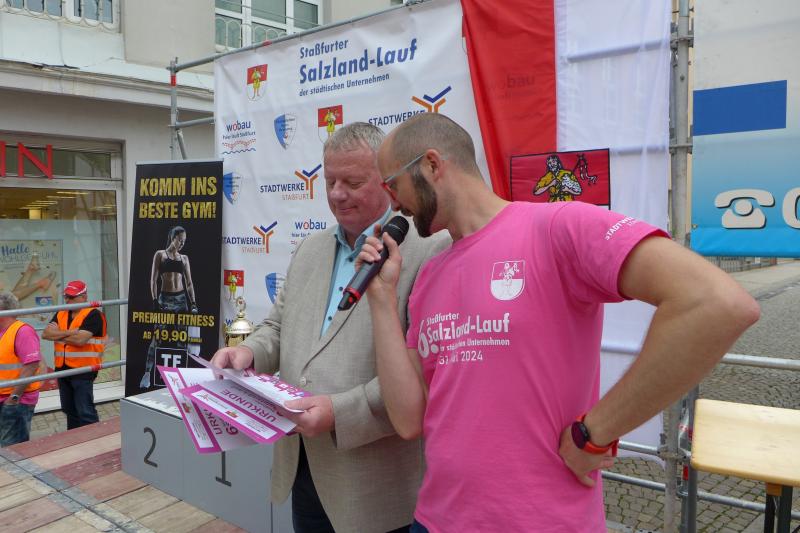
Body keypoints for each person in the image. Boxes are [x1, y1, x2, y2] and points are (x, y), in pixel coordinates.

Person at [357, 113, 760, 532]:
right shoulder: (430, 275)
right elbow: (409, 419)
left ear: (431, 165)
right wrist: (381, 300)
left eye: (392, 185)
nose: (393, 204)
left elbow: (716, 303)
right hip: (436, 521)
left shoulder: (557, 227)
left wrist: (595, 432)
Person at [211, 122, 450, 533]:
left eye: (352, 182)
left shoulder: (429, 251)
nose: (337, 194)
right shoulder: (310, 248)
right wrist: (248, 352)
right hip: (302, 468)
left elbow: (421, 377)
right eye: (330, 181)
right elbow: (278, 326)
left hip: (375, 488)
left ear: (388, 182)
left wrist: (339, 413)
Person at [42, 280, 107, 430]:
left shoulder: (94, 314)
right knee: (69, 409)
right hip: (62, 369)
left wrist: (58, 334)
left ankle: (93, 439)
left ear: (84, 297)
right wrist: (70, 332)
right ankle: (74, 439)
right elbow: (45, 334)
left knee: (85, 411)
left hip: (83, 370)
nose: (67, 300)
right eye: (66, 296)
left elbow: (80, 340)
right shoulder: (61, 313)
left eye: (71, 297)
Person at [139, 226, 197, 389]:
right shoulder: (160, 255)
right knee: (157, 337)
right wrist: (154, 300)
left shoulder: (184, 258)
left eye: (184, 241)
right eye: (180, 240)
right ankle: (147, 373)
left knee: (181, 338)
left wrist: (193, 302)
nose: (182, 244)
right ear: (173, 237)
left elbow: (189, 283)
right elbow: (153, 279)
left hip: (181, 300)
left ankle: (180, 377)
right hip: (165, 299)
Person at [0, 291, 42, 447]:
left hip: (16, 401)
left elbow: (31, 365)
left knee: (13, 450)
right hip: (4, 397)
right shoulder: (2, 331)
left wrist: (14, 398)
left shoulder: (23, 331)